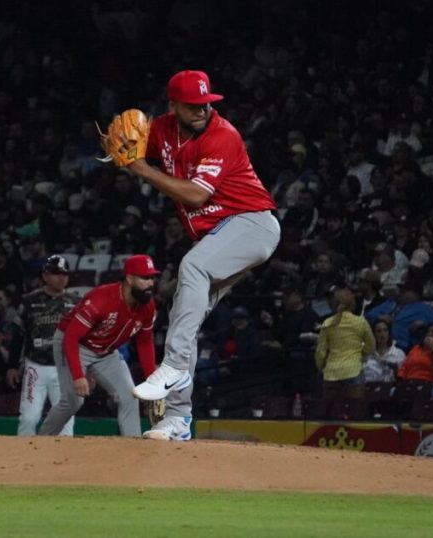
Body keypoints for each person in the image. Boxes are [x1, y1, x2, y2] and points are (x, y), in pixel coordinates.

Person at [116, 70, 281, 441]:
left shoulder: (223, 135)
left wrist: (141, 169)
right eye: (193, 105)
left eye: (207, 103)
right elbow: (131, 145)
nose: (202, 110)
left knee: (192, 266)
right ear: (173, 104)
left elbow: (194, 196)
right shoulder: (163, 129)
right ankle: (178, 419)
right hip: (219, 235)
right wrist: (127, 147)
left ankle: (172, 365)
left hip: (252, 224)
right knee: (183, 317)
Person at [38, 255, 159, 438]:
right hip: (74, 343)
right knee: (73, 402)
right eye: (145, 278)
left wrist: (152, 380)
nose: (150, 283)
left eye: (152, 278)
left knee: (129, 396)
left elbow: (144, 342)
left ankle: (134, 448)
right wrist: (79, 376)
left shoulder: (147, 306)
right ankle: (40, 441)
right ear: (129, 278)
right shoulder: (102, 299)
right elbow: (71, 338)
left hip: (105, 351)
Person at [10, 255, 78, 436]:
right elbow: (18, 335)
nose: (61, 278)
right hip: (36, 367)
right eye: (56, 273)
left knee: (65, 420)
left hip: (64, 368)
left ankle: (63, 461)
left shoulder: (76, 303)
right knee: (28, 418)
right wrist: (11, 366)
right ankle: (24, 459)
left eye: (65, 274)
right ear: (45, 275)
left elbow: (84, 338)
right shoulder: (29, 301)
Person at [315, 288, 375, 401]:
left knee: (331, 411)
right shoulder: (360, 321)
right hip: (353, 370)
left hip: (331, 372)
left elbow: (320, 352)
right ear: (353, 303)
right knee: (354, 411)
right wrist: (360, 354)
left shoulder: (327, 323)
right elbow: (371, 346)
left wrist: (321, 367)